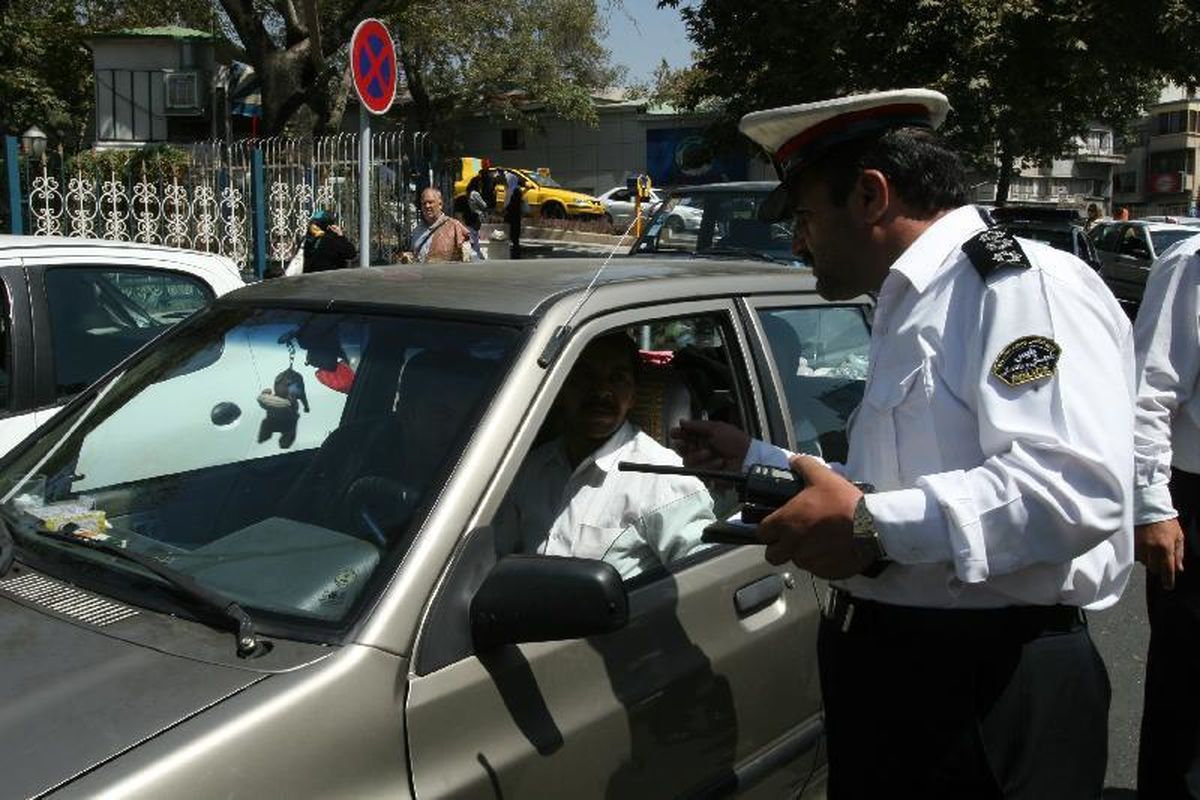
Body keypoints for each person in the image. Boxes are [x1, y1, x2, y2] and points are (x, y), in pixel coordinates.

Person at [674, 89, 1134, 798]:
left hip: (986, 684)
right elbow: (890, 483)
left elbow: (1072, 490)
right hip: (899, 671)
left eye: (803, 217)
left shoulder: (1015, 289)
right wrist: (755, 461)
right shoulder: (910, 300)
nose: (798, 242)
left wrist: (869, 527)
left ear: (869, 195)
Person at [495, 332, 714, 579]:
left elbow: (706, 576)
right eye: (585, 377)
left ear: (633, 396)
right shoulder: (528, 469)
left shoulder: (663, 477)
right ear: (559, 387)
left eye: (617, 379)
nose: (601, 391)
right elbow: (493, 558)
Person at [1132, 233, 1200, 799]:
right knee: (1189, 680)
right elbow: (1149, 391)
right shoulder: (1190, 263)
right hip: (1195, 497)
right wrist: (1153, 505)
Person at [400, 187, 474, 263]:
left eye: (430, 202)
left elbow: (469, 257)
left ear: (440, 204)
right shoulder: (417, 230)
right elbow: (417, 255)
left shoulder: (454, 226)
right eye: (424, 203)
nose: (427, 206)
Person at [502, 168, 524, 259]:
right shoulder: (515, 190)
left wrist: (505, 209)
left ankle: (515, 254)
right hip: (515, 216)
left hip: (513, 217)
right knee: (514, 237)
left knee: (513, 236)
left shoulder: (514, 191)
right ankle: (514, 253)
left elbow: (512, 205)